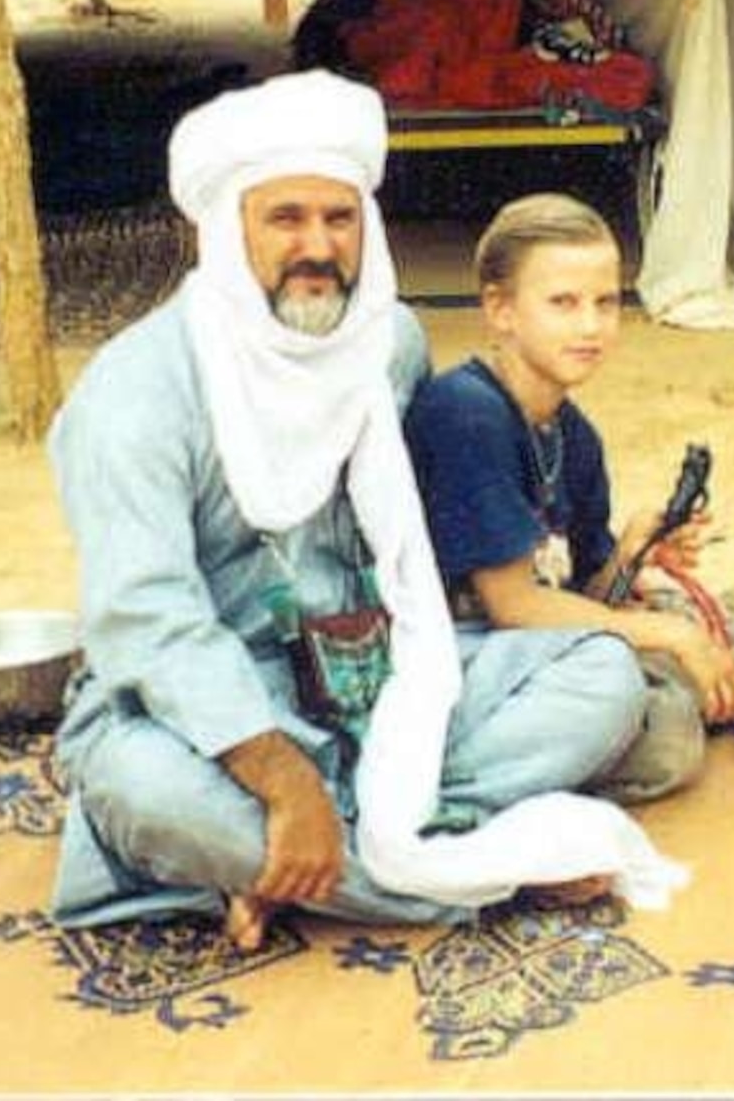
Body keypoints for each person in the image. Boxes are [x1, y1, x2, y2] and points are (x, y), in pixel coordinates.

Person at [45, 71, 683, 949]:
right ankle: (472, 872)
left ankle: (280, 871)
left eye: (338, 218)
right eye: (286, 218)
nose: (317, 246)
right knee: (136, 785)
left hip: (383, 671)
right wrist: (280, 779)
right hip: (214, 710)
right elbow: (145, 623)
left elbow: (417, 566)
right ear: (226, 231)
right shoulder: (136, 395)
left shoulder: (386, 345)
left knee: (602, 680)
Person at [406, 194, 734, 804]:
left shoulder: (574, 434)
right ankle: (449, 804)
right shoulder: (467, 414)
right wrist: (674, 640)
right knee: (656, 717)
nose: (591, 326)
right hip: (458, 656)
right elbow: (512, 605)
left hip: (536, 648)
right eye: (563, 304)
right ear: (500, 310)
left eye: (606, 302)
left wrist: (630, 551)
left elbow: (580, 596)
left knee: (698, 632)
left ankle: (587, 744)